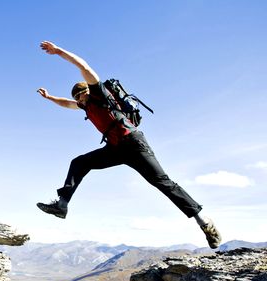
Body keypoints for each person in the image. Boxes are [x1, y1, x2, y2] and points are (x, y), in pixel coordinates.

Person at [36, 41, 222, 249]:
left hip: (133, 143)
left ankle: (204, 223)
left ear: (87, 90)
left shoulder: (99, 93)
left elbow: (84, 68)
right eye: (77, 98)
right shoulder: (85, 106)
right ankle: (62, 205)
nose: (78, 100)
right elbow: (65, 103)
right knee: (79, 162)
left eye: (80, 94)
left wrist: (59, 51)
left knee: (163, 183)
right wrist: (50, 97)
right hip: (115, 149)